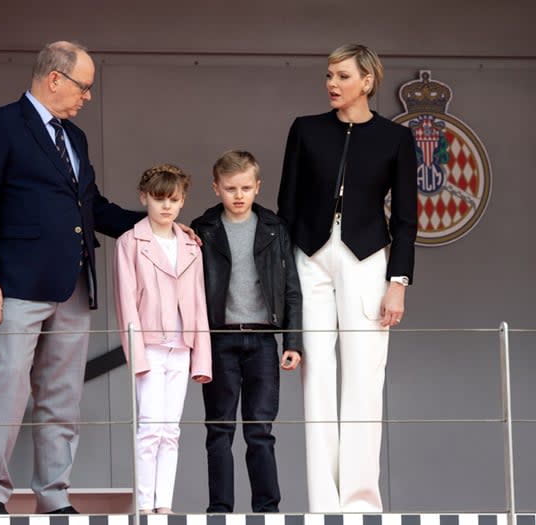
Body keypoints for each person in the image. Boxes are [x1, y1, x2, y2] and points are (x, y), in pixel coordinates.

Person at [0, 41, 144, 515]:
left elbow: (92, 205)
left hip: (73, 282)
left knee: (63, 397)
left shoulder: (76, 137)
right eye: (84, 87)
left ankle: (54, 496)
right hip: (15, 282)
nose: (87, 97)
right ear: (55, 78)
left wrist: (151, 225)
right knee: (9, 386)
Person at [277, 44, 417, 512]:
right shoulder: (306, 129)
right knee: (316, 377)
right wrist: (287, 268)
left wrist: (398, 280)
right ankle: (323, 503)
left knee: (363, 377)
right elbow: (288, 204)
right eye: (329, 75)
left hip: (368, 259)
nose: (332, 83)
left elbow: (406, 219)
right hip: (311, 258)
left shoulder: (395, 138)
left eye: (342, 76)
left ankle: (360, 504)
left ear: (367, 81)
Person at [190, 150, 303, 513]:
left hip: (262, 340)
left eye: (245, 188)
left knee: (260, 431)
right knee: (219, 430)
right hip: (219, 339)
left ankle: (267, 511)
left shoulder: (274, 227)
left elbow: (291, 288)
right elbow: (189, 290)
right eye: (230, 188)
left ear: (257, 187)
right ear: (216, 188)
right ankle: (219, 511)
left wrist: (293, 341)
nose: (238, 196)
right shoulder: (202, 228)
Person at [114, 164, 212, 515]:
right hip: (151, 347)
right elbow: (126, 301)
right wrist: (136, 354)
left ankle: (164, 505)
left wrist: (201, 357)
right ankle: (143, 505)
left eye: (174, 199)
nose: (166, 206)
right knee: (150, 428)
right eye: (159, 199)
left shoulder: (190, 245)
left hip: (181, 347)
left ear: (183, 200)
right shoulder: (130, 242)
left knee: (171, 430)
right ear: (145, 198)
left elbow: (199, 303)